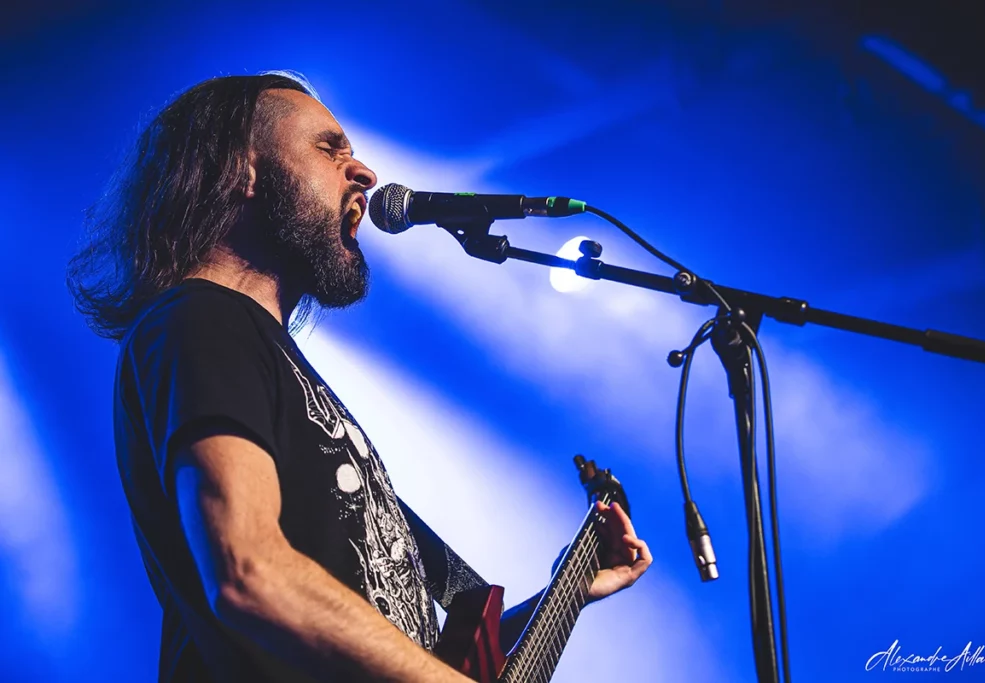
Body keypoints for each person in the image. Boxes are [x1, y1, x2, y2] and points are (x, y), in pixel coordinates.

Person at [67, 71, 652, 682]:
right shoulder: (198, 318)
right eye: (329, 149)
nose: (366, 173)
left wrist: (568, 592)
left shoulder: (280, 369)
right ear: (242, 171)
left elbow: (411, 645)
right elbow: (250, 572)